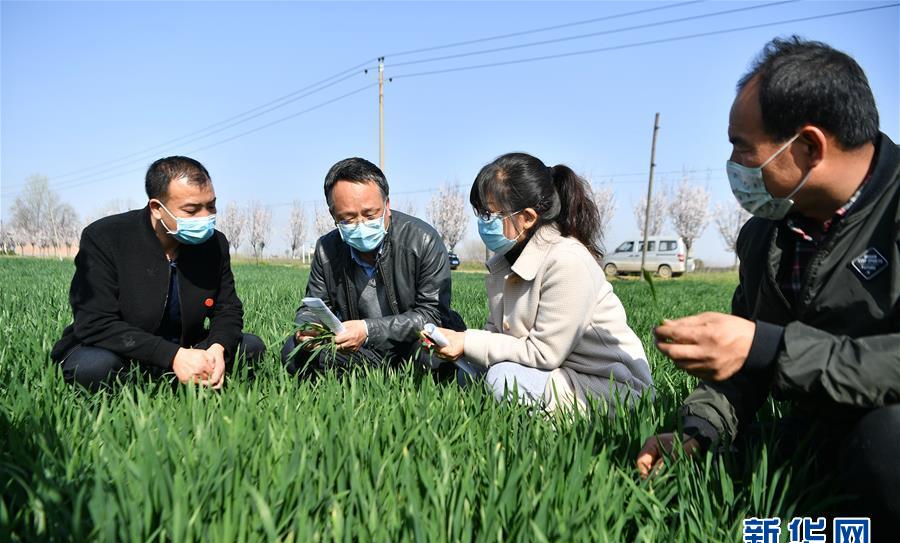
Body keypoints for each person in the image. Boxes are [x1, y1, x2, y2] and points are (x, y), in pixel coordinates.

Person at [635, 37, 900, 543]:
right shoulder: (769, 236)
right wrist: (700, 431)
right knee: (736, 531)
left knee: (888, 444)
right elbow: (744, 367)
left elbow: (766, 349)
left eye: (742, 147)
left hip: (881, 445)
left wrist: (770, 348)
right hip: (824, 438)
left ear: (807, 147)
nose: (734, 164)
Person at [430, 152, 653, 414]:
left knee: (502, 380)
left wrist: (467, 342)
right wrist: (459, 345)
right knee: (470, 371)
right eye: (480, 213)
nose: (482, 223)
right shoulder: (505, 261)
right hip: (558, 373)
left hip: (610, 388)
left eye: (490, 215)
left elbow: (544, 353)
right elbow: (496, 333)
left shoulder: (567, 261)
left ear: (527, 217)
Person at [51, 156, 265, 391]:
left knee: (250, 347)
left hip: (187, 347)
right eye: (191, 210)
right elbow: (94, 323)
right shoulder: (105, 237)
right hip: (121, 350)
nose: (205, 218)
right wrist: (172, 356)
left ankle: (187, 377)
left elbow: (228, 309)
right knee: (94, 367)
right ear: (157, 208)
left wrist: (217, 347)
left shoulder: (215, 244)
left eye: (211, 206)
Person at [281, 157, 465, 379]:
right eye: (348, 218)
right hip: (359, 351)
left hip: (411, 344)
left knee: (433, 355)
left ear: (387, 206)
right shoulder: (326, 249)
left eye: (370, 215)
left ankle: (388, 378)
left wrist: (368, 330)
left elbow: (432, 314)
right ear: (333, 215)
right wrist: (309, 327)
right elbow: (313, 306)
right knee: (293, 351)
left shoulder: (423, 241)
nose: (361, 224)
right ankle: (373, 377)